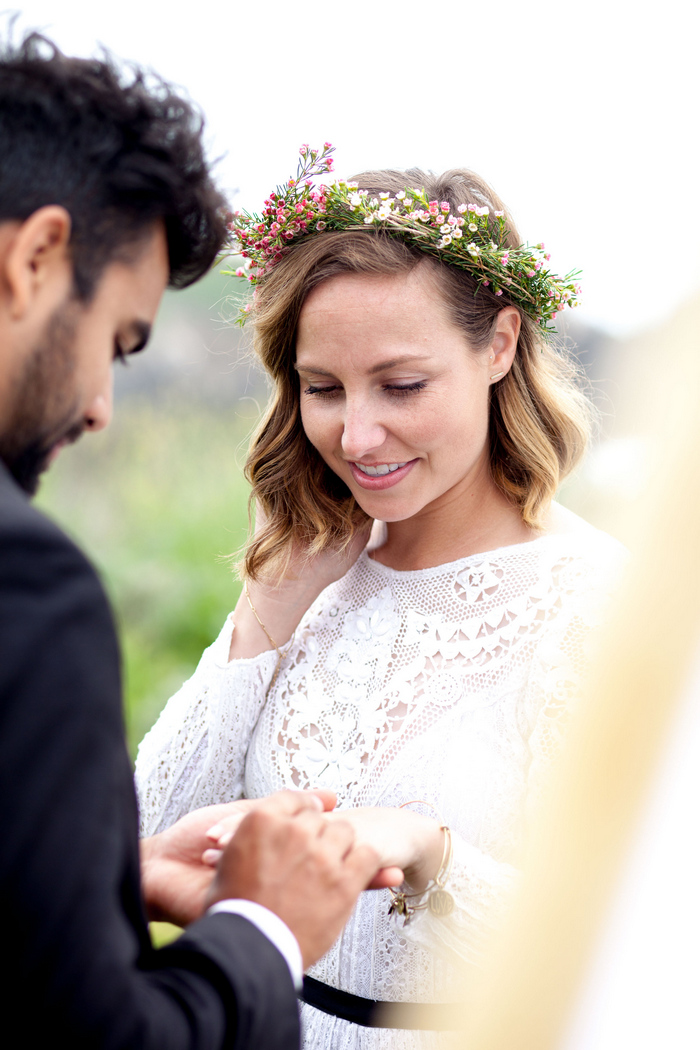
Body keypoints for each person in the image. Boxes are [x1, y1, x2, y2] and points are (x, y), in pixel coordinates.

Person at [135, 145, 625, 1046]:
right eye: (323, 389)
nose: (357, 435)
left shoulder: (601, 611)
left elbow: (617, 953)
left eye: (402, 385)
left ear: (499, 344)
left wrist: (429, 853)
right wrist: (264, 621)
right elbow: (146, 843)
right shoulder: (307, 584)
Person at [0, 41, 392, 1049]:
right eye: (120, 341)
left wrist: (104, 880)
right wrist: (264, 930)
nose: (99, 409)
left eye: (401, 383)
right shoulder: (27, 578)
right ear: (34, 259)